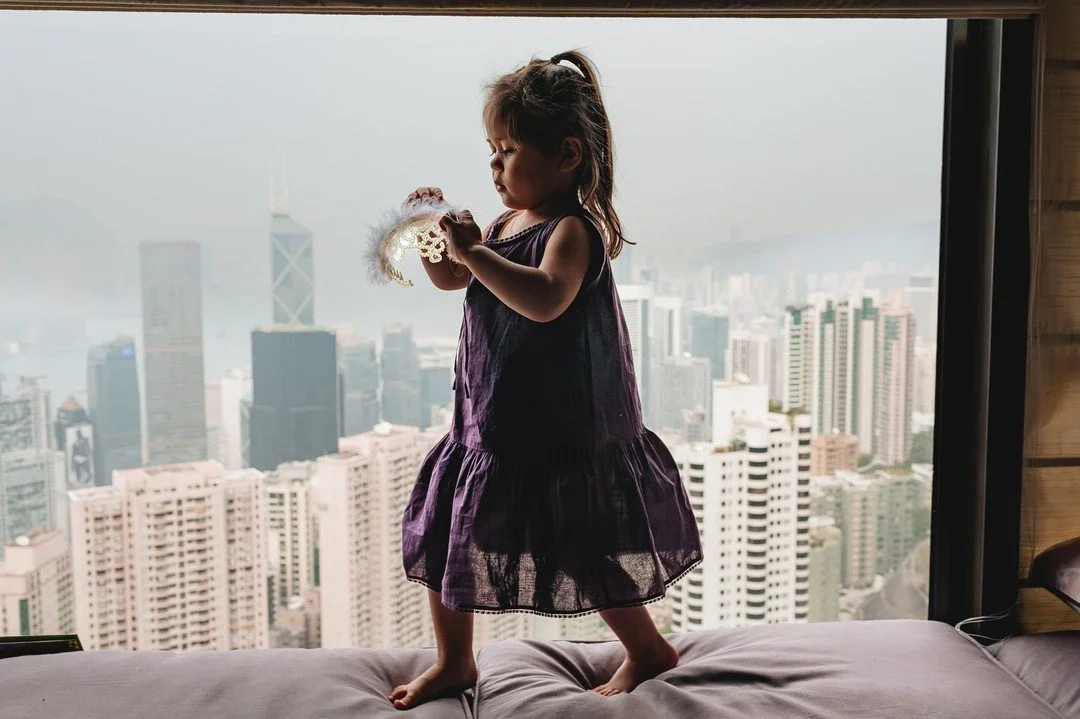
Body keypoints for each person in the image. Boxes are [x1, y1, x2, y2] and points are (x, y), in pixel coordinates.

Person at [391, 50, 703, 710]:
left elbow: (545, 299)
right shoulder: (502, 224)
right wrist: (435, 241)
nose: (495, 167)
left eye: (508, 150)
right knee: (452, 533)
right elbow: (455, 277)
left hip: (566, 430)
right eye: (492, 151)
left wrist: (475, 251)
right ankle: (454, 661)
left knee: (587, 545)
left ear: (565, 154)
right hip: (490, 425)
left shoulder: (571, 233)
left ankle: (648, 648)